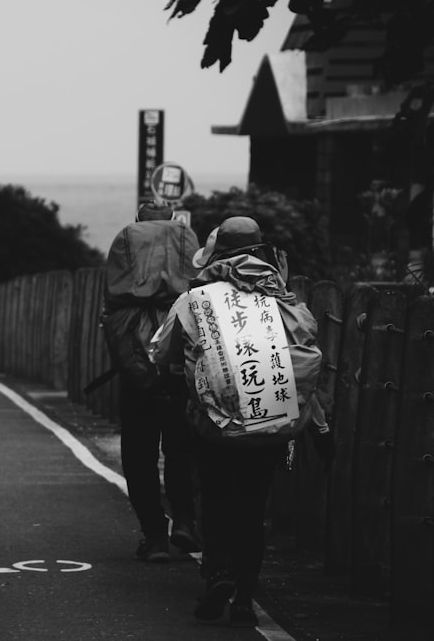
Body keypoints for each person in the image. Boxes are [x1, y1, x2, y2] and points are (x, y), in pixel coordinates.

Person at [149, 216, 332, 627]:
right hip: (270, 428)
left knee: (215, 500)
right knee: (252, 508)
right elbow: (300, 365)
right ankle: (246, 598)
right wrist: (320, 428)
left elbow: (160, 354)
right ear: (262, 253)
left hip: (213, 429)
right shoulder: (284, 301)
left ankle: (219, 574)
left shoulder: (194, 300)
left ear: (216, 256)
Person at [103, 201, 203, 562]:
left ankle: (154, 535)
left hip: (136, 353)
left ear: (139, 220)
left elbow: (112, 295)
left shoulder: (126, 237)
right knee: (182, 446)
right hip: (181, 339)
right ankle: (185, 521)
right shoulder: (186, 235)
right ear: (171, 219)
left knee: (139, 452)